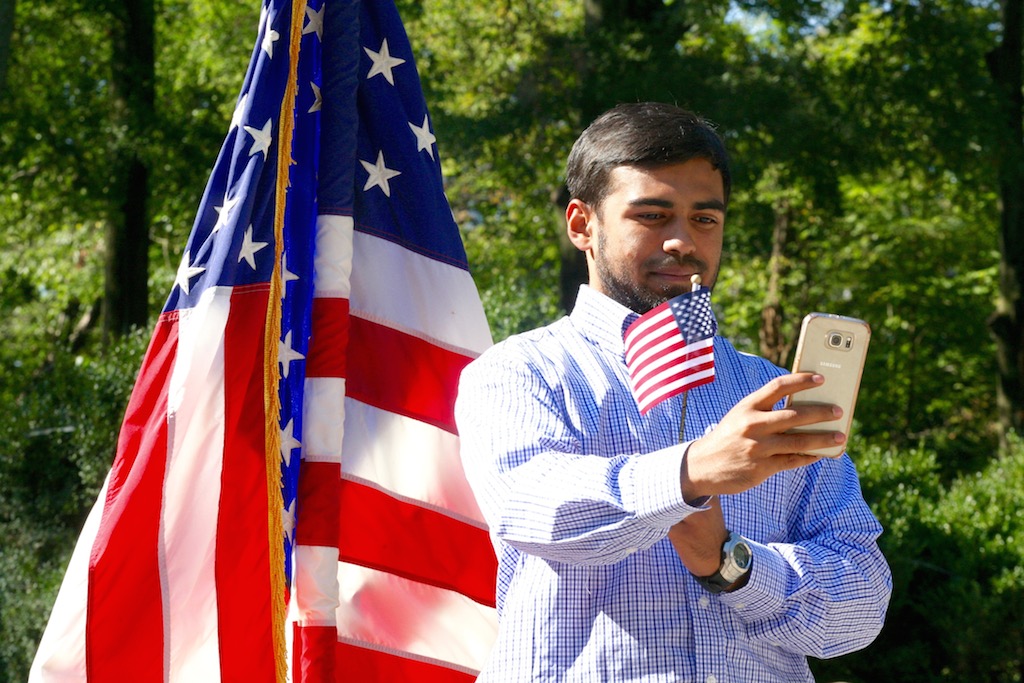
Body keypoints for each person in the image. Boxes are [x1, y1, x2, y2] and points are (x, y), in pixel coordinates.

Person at [454, 101, 892, 682]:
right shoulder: (519, 370)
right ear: (582, 224)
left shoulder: (772, 393)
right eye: (653, 216)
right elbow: (530, 510)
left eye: (705, 219)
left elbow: (860, 605)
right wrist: (687, 475)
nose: (684, 241)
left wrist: (730, 564)